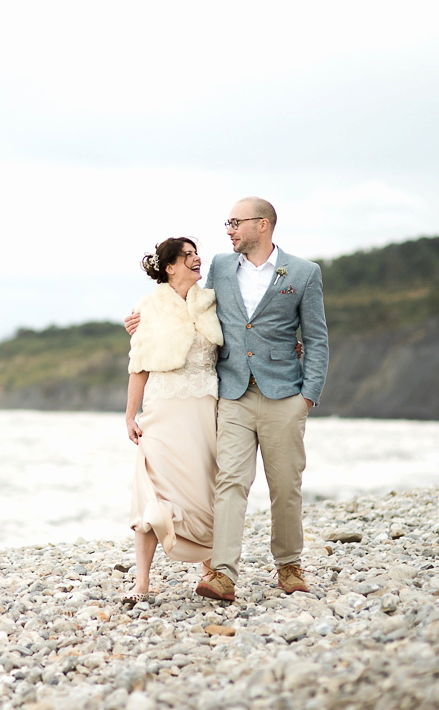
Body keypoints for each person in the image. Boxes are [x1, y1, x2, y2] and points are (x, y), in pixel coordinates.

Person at [126, 197, 328, 602]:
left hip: (284, 393)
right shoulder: (220, 266)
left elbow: (317, 337)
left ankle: (289, 566)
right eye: (228, 222)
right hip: (231, 393)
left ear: (263, 225)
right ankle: (222, 573)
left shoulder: (303, 273)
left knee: (284, 485)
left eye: (236, 222)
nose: (229, 229)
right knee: (230, 483)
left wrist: (308, 396)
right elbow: (178, 307)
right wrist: (135, 322)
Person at [123, 236, 223, 606]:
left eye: (198, 254)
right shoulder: (147, 308)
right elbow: (139, 366)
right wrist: (130, 415)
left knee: (205, 492)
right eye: (188, 256)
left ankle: (212, 575)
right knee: (153, 492)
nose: (197, 260)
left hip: (205, 411)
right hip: (162, 412)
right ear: (169, 267)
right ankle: (142, 581)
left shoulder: (212, 301)